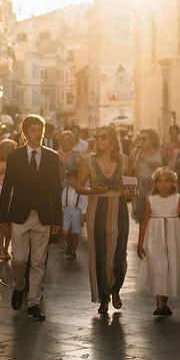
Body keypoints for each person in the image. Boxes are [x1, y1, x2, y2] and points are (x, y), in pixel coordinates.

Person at [0, 114, 62, 322]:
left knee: (38, 262)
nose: (38, 134)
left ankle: (34, 302)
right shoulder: (15, 157)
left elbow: (56, 190)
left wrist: (57, 220)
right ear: (25, 134)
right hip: (19, 215)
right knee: (19, 259)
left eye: (40, 130)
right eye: (33, 130)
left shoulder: (52, 157)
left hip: (43, 216)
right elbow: (7, 187)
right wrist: (3, 218)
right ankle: (19, 286)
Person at [73, 125, 132, 317]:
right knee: (99, 253)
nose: (98, 140)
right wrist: (93, 191)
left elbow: (132, 190)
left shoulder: (125, 161)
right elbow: (79, 187)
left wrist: (128, 192)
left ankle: (116, 288)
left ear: (112, 140)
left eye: (103, 137)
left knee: (118, 252)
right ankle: (104, 297)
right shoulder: (88, 161)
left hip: (119, 210)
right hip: (96, 211)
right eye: (96, 137)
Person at [136, 167, 180, 317]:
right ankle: (160, 305)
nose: (164, 185)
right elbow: (144, 221)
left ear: (173, 183)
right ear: (155, 184)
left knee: (169, 266)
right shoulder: (151, 200)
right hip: (155, 236)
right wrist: (140, 242)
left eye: (167, 181)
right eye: (160, 181)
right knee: (157, 266)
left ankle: (165, 301)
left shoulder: (178, 199)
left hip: (173, 236)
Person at [131, 128, 166, 200]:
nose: (141, 141)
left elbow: (168, 172)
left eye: (144, 139)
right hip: (140, 192)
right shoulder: (136, 152)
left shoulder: (162, 153)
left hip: (157, 191)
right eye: (139, 139)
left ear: (152, 139)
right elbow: (130, 173)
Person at [59, 173, 85, 259]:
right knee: (66, 232)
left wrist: (83, 216)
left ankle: (73, 251)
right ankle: (69, 245)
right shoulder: (66, 190)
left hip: (77, 211)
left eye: (72, 180)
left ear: (76, 180)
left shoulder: (81, 190)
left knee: (74, 233)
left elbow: (84, 204)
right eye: (69, 180)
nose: (70, 182)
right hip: (67, 211)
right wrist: (63, 212)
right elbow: (63, 201)